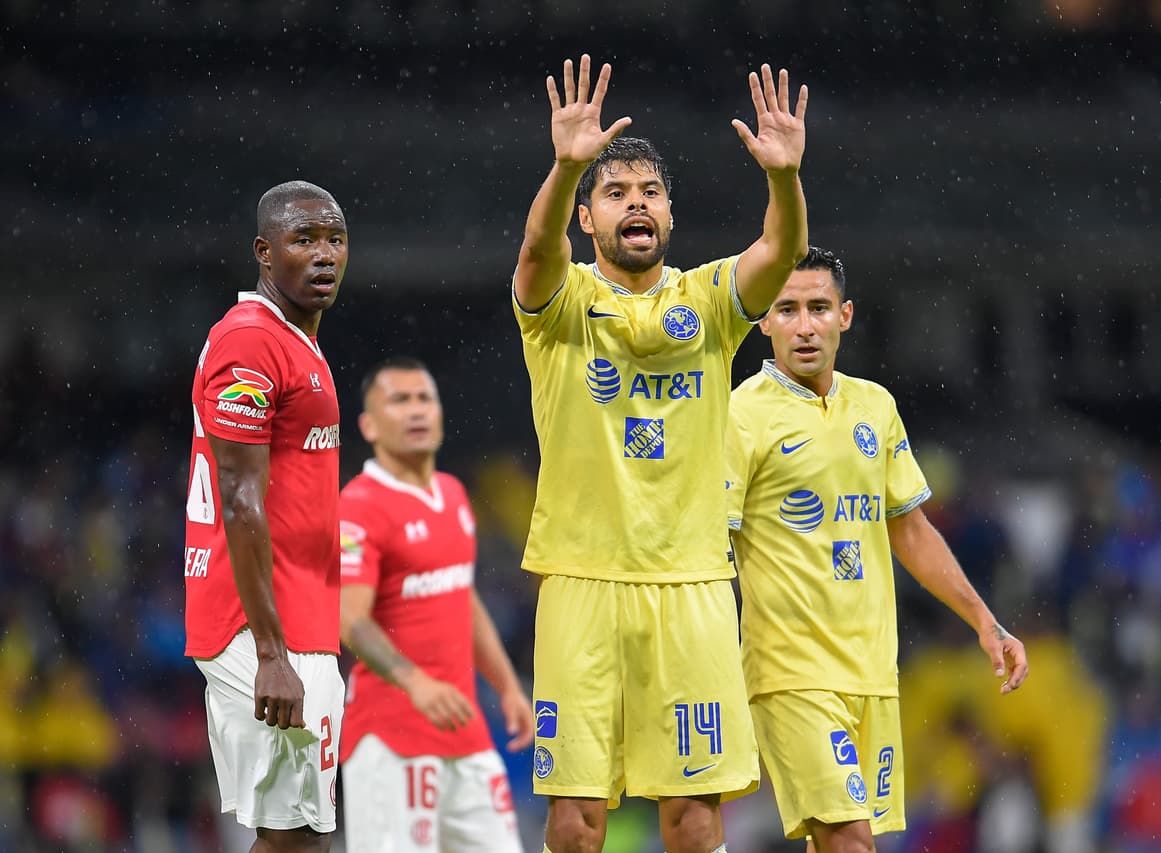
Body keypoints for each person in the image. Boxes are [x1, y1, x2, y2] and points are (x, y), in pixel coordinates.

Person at [512, 54, 809, 853]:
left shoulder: (710, 300)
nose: (634, 203)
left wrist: (784, 180)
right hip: (580, 579)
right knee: (575, 821)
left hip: (694, 582)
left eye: (649, 193)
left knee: (692, 816)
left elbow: (779, 254)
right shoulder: (562, 302)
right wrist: (566, 165)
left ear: (670, 217)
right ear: (588, 219)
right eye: (615, 193)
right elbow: (535, 254)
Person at [725, 246, 1030, 853]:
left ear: (846, 315)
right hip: (791, 670)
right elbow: (712, 541)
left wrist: (984, 621)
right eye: (787, 309)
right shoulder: (742, 413)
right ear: (764, 320)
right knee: (850, 841)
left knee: (839, 842)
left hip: (871, 671)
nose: (804, 324)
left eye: (818, 307)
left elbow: (910, 530)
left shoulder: (876, 407)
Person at [183, 180, 349, 852]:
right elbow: (239, 497)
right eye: (303, 239)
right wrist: (272, 653)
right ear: (263, 251)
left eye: (334, 238)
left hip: (301, 617)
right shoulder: (250, 343)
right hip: (262, 629)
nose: (324, 254)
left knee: (299, 835)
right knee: (291, 838)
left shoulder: (294, 339)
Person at [337, 356, 535, 853]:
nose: (416, 410)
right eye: (398, 401)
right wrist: (416, 681)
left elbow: (460, 596)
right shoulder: (359, 506)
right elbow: (350, 622)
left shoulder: (452, 494)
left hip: (464, 733)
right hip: (390, 739)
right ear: (368, 423)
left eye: (424, 398)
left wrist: (507, 685)